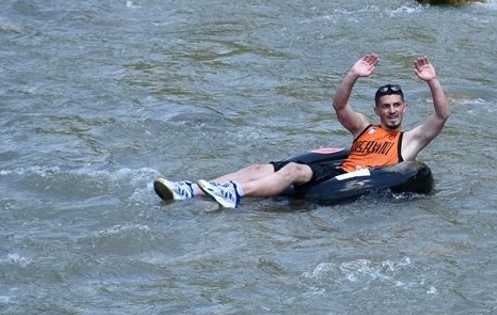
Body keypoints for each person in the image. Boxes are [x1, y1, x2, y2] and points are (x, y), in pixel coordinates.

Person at [153, 54, 450, 208]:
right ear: (377, 110)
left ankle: (234, 194)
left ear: (405, 107)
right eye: (385, 106)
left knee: (294, 170)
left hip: (350, 181)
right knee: (260, 166)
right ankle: (189, 189)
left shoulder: (409, 141)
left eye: (397, 105)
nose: (392, 111)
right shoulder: (364, 128)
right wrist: (353, 75)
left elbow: (441, 115)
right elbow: (339, 106)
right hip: (336, 171)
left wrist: (432, 81)